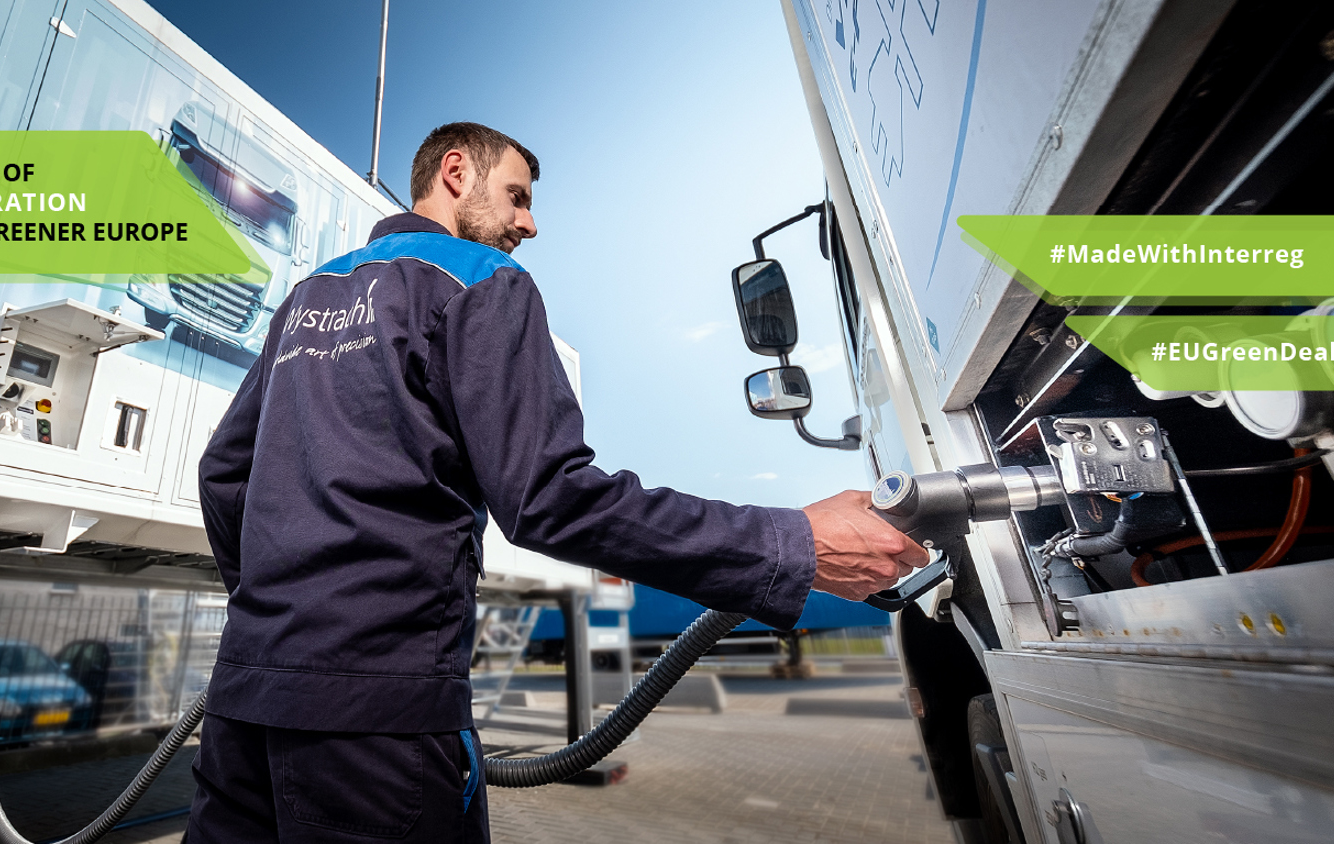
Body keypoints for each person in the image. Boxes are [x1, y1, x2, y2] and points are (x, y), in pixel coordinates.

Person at [189, 122, 928, 843]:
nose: (529, 223)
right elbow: (548, 499)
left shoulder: (305, 298)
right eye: (515, 196)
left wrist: (277, 625)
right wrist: (791, 544)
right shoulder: (480, 281)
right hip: (378, 722)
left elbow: (224, 474)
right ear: (455, 173)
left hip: (242, 710)